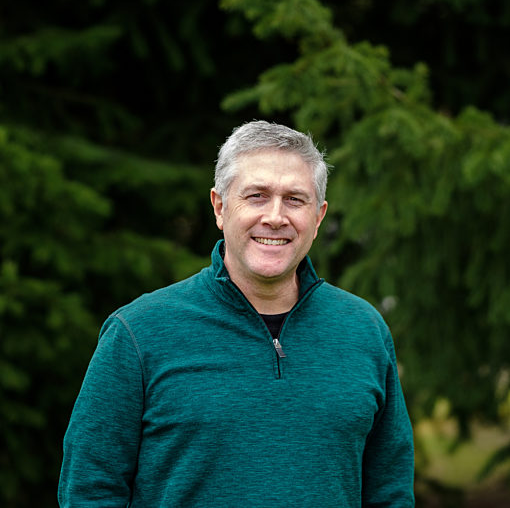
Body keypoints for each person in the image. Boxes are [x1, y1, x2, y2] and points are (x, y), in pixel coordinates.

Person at [58, 120, 415, 507]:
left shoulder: (363, 330)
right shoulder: (138, 334)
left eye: (295, 199)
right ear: (220, 207)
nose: (275, 217)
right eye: (257, 196)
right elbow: (89, 491)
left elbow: (390, 492)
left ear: (318, 217)